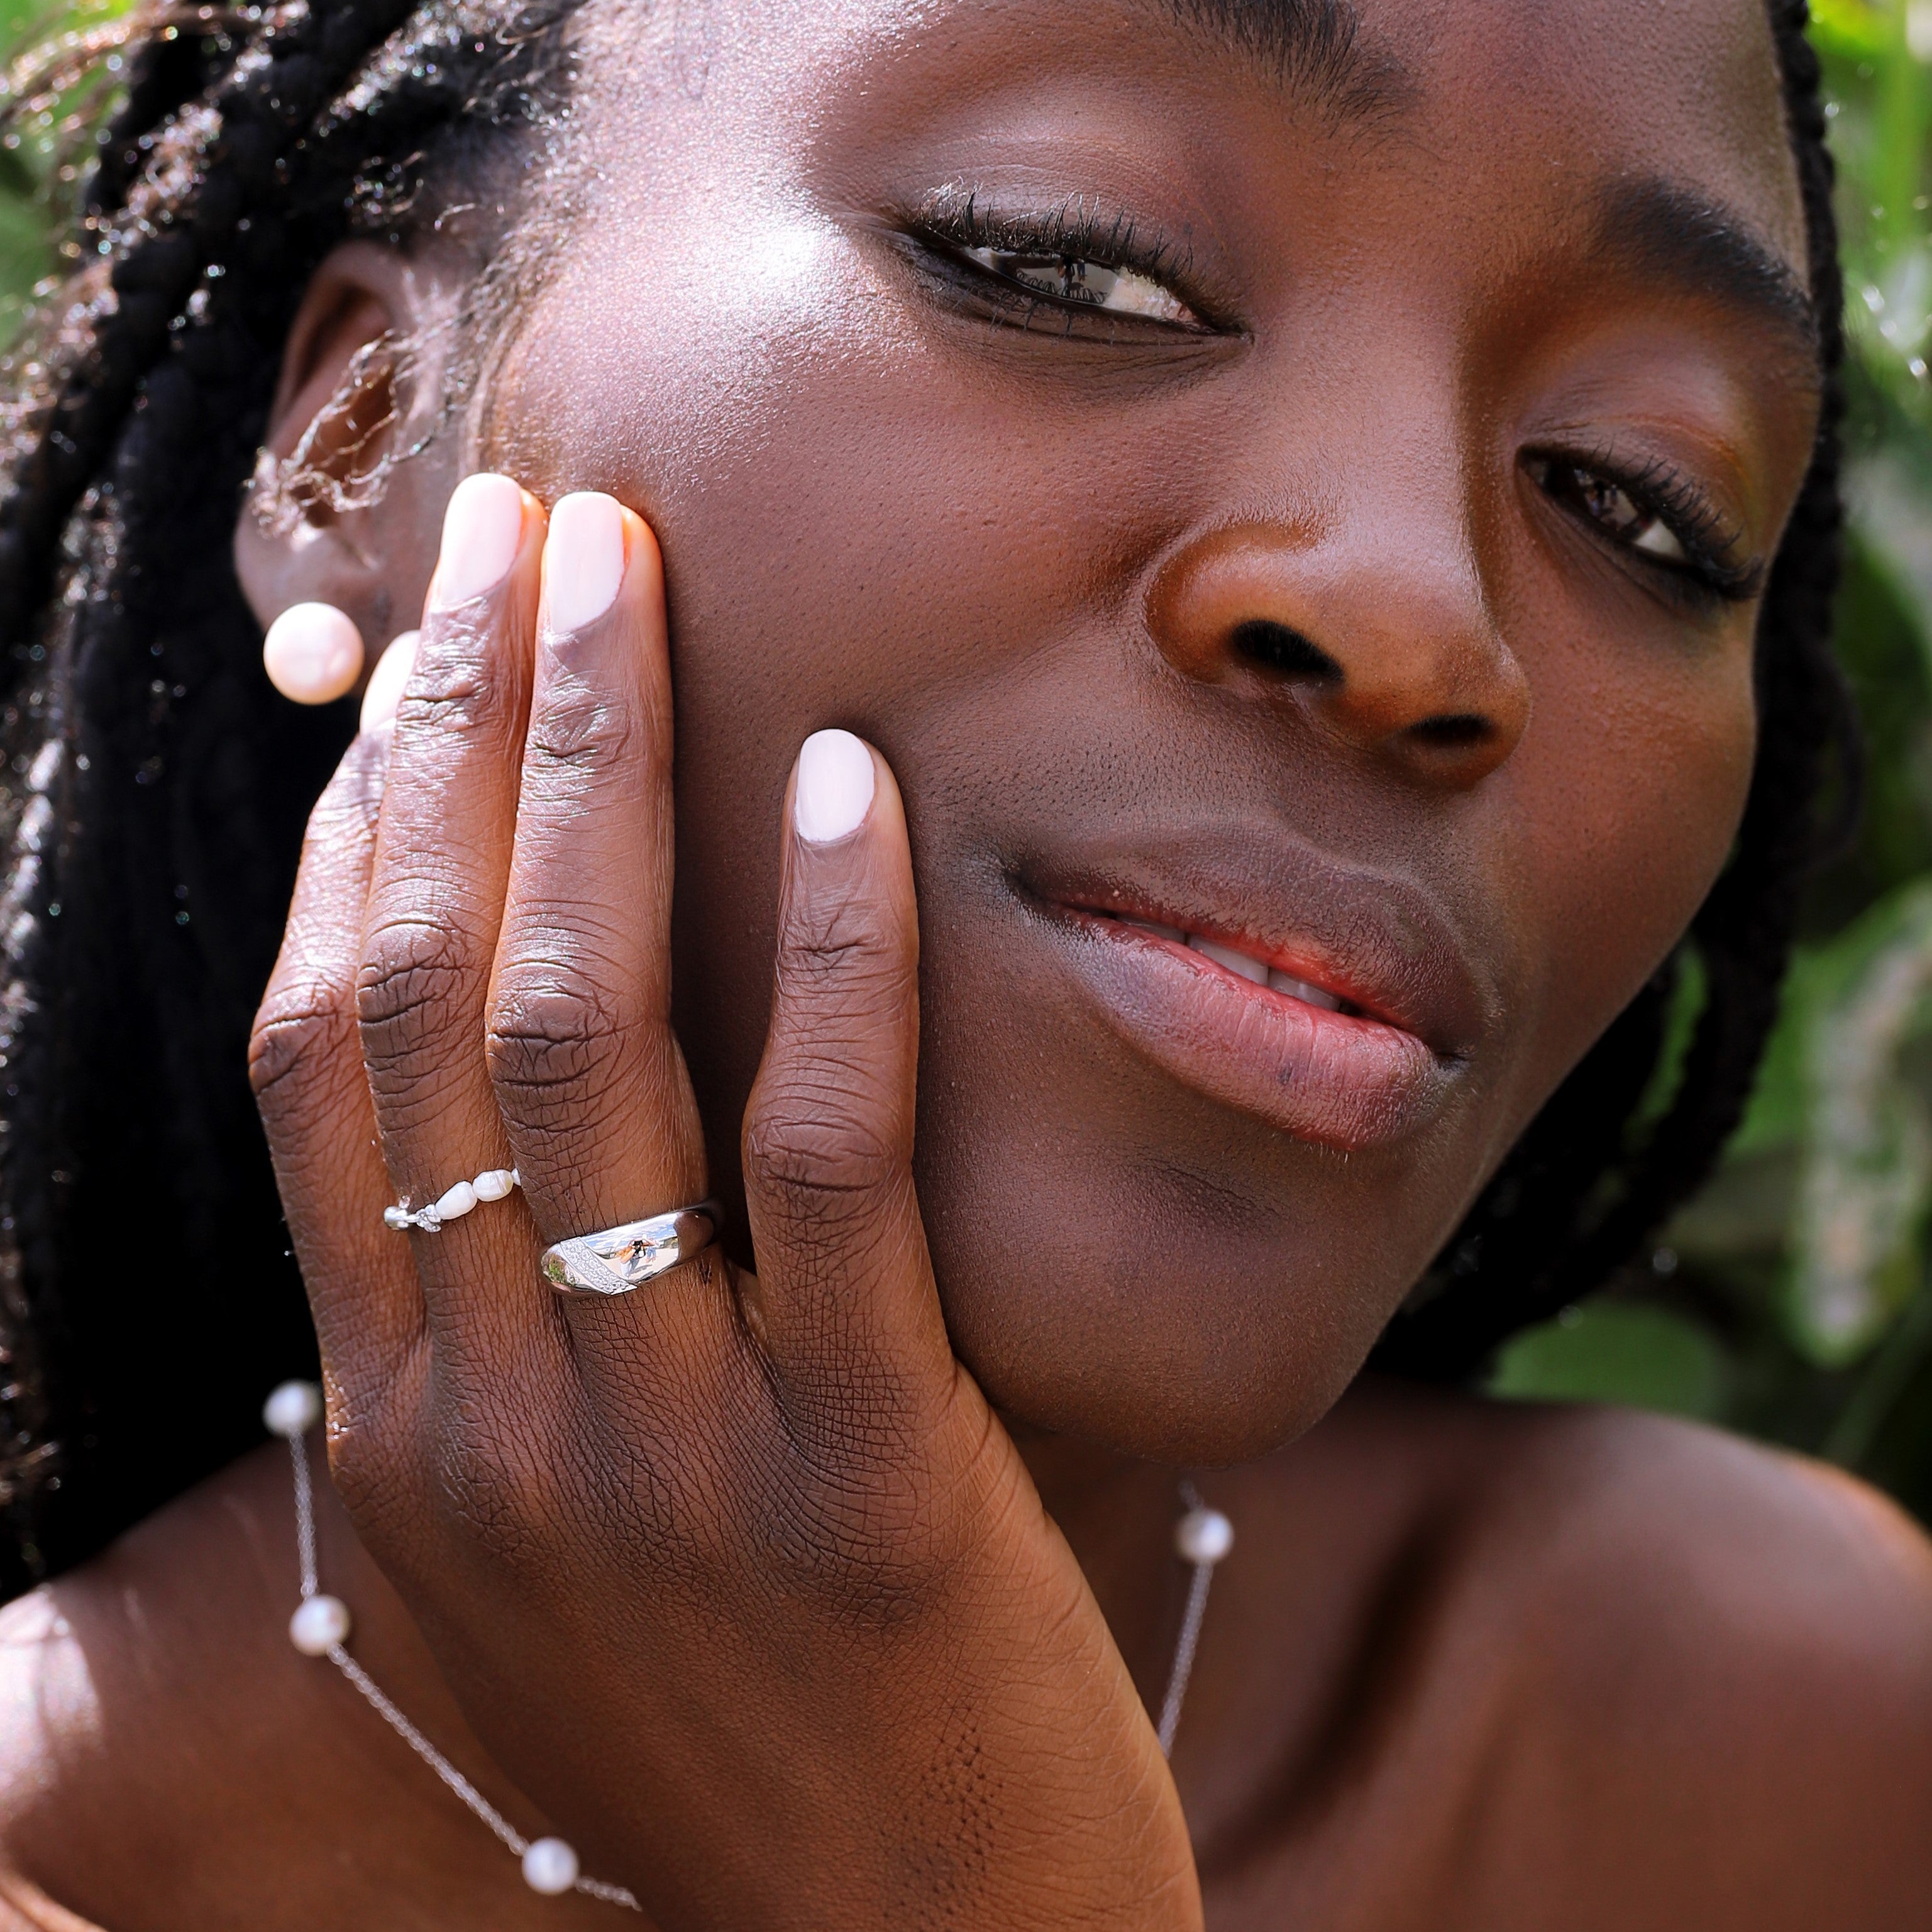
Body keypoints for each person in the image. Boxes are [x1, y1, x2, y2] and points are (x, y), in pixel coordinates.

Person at [0, 0, 1922, 1923]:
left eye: (1632, 498)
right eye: (1065, 260)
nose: (1418, 615)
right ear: (357, 446)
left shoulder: (1787, 1740)